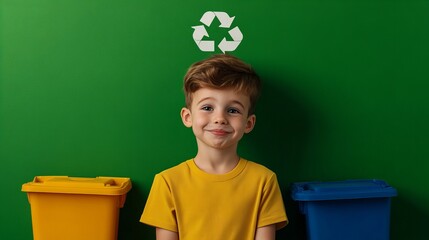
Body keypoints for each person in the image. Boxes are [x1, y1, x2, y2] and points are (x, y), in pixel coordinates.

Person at [140, 54, 288, 240]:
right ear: (188, 117)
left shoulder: (264, 181)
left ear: (249, 123)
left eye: (233, 110)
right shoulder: (167, 183)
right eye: (208, 108)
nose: (220, 118)